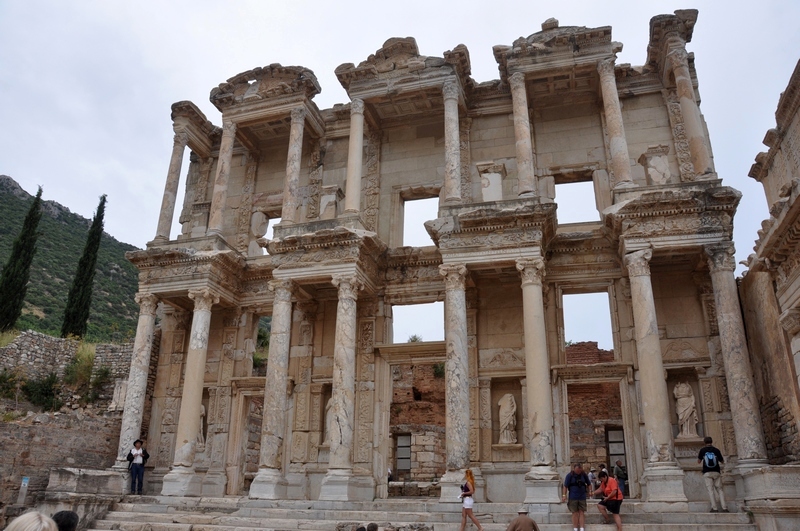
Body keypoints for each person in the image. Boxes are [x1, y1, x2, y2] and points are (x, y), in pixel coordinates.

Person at [698, 436, 727, 512]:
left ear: (704, 442)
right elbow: (722, 461)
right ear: (712, 442)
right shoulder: (716, 450)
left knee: (710, 490)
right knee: (720, 490)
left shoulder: (702, 450)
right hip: (716, 472)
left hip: (707, 472)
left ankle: (714, 508)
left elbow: (698, 461)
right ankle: (724, 507)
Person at [562, 463, 590, 531]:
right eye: (577, 470)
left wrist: (590, 492)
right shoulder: (570, 475)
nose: (578, 472)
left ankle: (582, 528)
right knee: (574, 513)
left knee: (581, 512)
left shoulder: (583, 475)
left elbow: (589, 484)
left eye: (579, 470)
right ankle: (575, 528)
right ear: (574, 469)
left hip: (582, 496)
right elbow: (565, 486)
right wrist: (564, 495)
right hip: (573, 497)